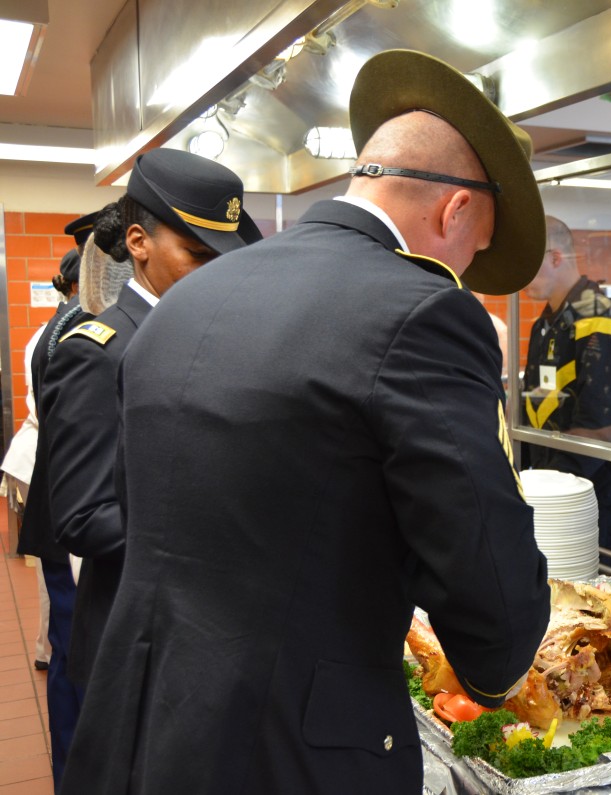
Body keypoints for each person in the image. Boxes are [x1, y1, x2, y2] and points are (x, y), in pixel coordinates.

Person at [61, 50, 551, 794]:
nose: (462, 270)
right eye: (472, 250)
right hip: (288, 751)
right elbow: (488, 591)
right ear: (455, 211)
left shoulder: (187, 298)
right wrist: (497, 660)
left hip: (139, 713)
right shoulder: (423, 311)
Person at [42, 151, 261, 701]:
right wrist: (225, 511)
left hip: (206, 630)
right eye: (197, 254)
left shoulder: (208, 338)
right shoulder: (101, 353)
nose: (217, 274)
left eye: (225, 259)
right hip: (136, 639)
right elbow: (83, 516)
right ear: (138, 243)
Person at [522, 215, 611, 562]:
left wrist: (548, 489)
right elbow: (536, 403)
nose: (519, 277)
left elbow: (600, 422)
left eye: (528, 264)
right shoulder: (547, 322)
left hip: (605, 492)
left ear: (556, 258)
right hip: (558, 488)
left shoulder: (602, 318)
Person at [15, 241, 95, 788]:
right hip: (71, 507)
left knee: (68, 649)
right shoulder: (79, 334)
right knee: (76, 653)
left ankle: (71, 770)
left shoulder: (55, 329)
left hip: (57, 500)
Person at [2, 248, 82, 677]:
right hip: (39, 458)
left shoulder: (51, 331)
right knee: (55, 566)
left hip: (40, 457)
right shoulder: (58, 334)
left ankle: (48, 647)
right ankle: (49, 649)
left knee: (53, 568)